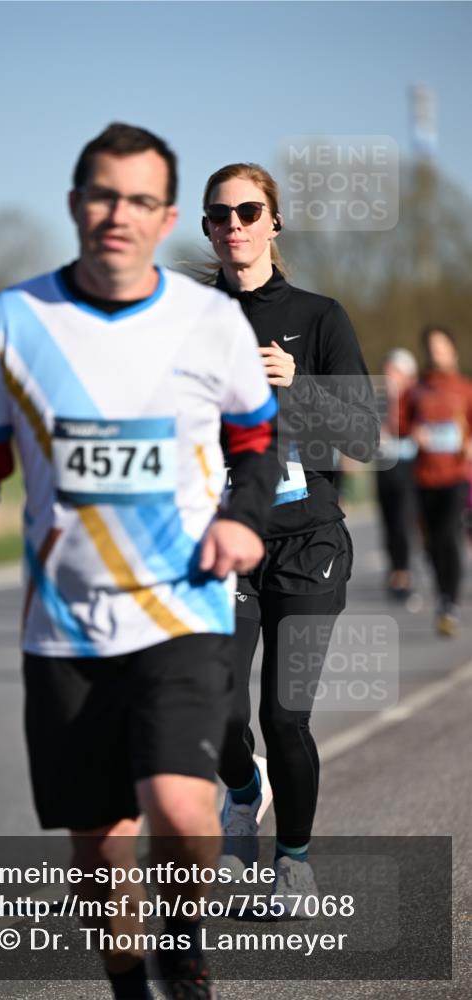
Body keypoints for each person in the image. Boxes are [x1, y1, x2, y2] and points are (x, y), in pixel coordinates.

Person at [0, 125, 279, 1000]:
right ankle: (130, 989)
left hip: (184, 607)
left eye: (138, 200)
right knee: (97, 845)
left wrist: (243, 520)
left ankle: (182, 941)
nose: (116, 214)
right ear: (74, 205)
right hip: (65, 625)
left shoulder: (208, 322)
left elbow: (256, 441)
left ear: (167, 217)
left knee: (179, 807)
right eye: (101, 196)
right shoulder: (15, 320)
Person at [201, 162, 379, 908]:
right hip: (222, 539)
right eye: (219, 216)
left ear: (274, 223)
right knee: (215, 703)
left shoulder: (318, 316)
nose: (234, 225)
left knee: (284, 715)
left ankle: (294, 860)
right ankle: (242, 791)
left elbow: (366, 438)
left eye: (248, 211)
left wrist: (295, 384)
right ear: (208, 230)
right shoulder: (183, 318)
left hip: (306, 544)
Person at [398, 325, 472, 636]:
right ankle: (444, 593)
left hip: (455, 475)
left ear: (452, 350)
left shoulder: (465, 389)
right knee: (430, 542)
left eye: (441, 346)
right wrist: (414, 432)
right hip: (424, 475)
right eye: (431, 347)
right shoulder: (415, 391)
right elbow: (400, 426)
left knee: (447, 535)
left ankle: (449, 601)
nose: (436, 352)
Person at [375, 349, 419, 603]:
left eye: (395, 371)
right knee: (388, 521)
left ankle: (404, 571)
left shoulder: (414, 399)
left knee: (403, 520)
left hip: (407, 465)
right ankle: (395, 569)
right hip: (384, 467)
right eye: (387, 370)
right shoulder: (379, 399)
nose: (390, 376)